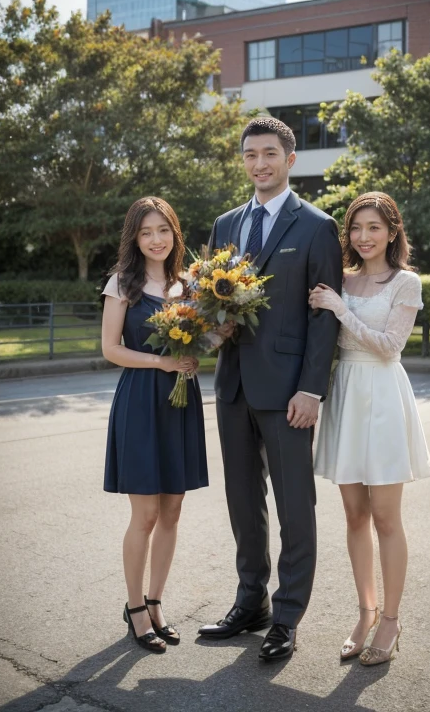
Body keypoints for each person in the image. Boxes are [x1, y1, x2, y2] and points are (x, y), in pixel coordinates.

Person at [198, 117, 342, 661]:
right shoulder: (225, 223)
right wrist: (210, 332)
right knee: (242, 501)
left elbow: (323, 317)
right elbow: (210, 302)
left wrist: (312, 389)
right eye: (250, 154)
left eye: (269, 154)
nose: (259, 163)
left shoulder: (317, 226)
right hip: (232, 383)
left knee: (294, 505)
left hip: (288, 392)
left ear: (290, 159)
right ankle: (250, 600)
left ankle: (287, 616)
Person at [309, 191, 430, 666]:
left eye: (374, 228)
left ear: (392, 231)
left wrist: (340, 309)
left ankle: (392, 620)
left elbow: (388, 346)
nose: (363, 237)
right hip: (346, 395)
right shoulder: (340, 279)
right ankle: (365, 611)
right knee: (354, 516)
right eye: (356, 228)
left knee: (385, 517)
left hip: (383, 395)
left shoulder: (406, 282)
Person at [101, 196, 208, 652]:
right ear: (135, 237)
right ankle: (135, 609)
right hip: (141, 401)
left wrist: (192, 357)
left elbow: (204, 337)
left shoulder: (190, 285)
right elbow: (110, 349)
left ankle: (156, 601)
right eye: (146, 232)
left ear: (174, 233)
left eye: (162, 230)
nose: (155, 239)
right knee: (144, 515)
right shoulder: (122, 283)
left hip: (180, 403)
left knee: (172, 511)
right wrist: (160, 363)